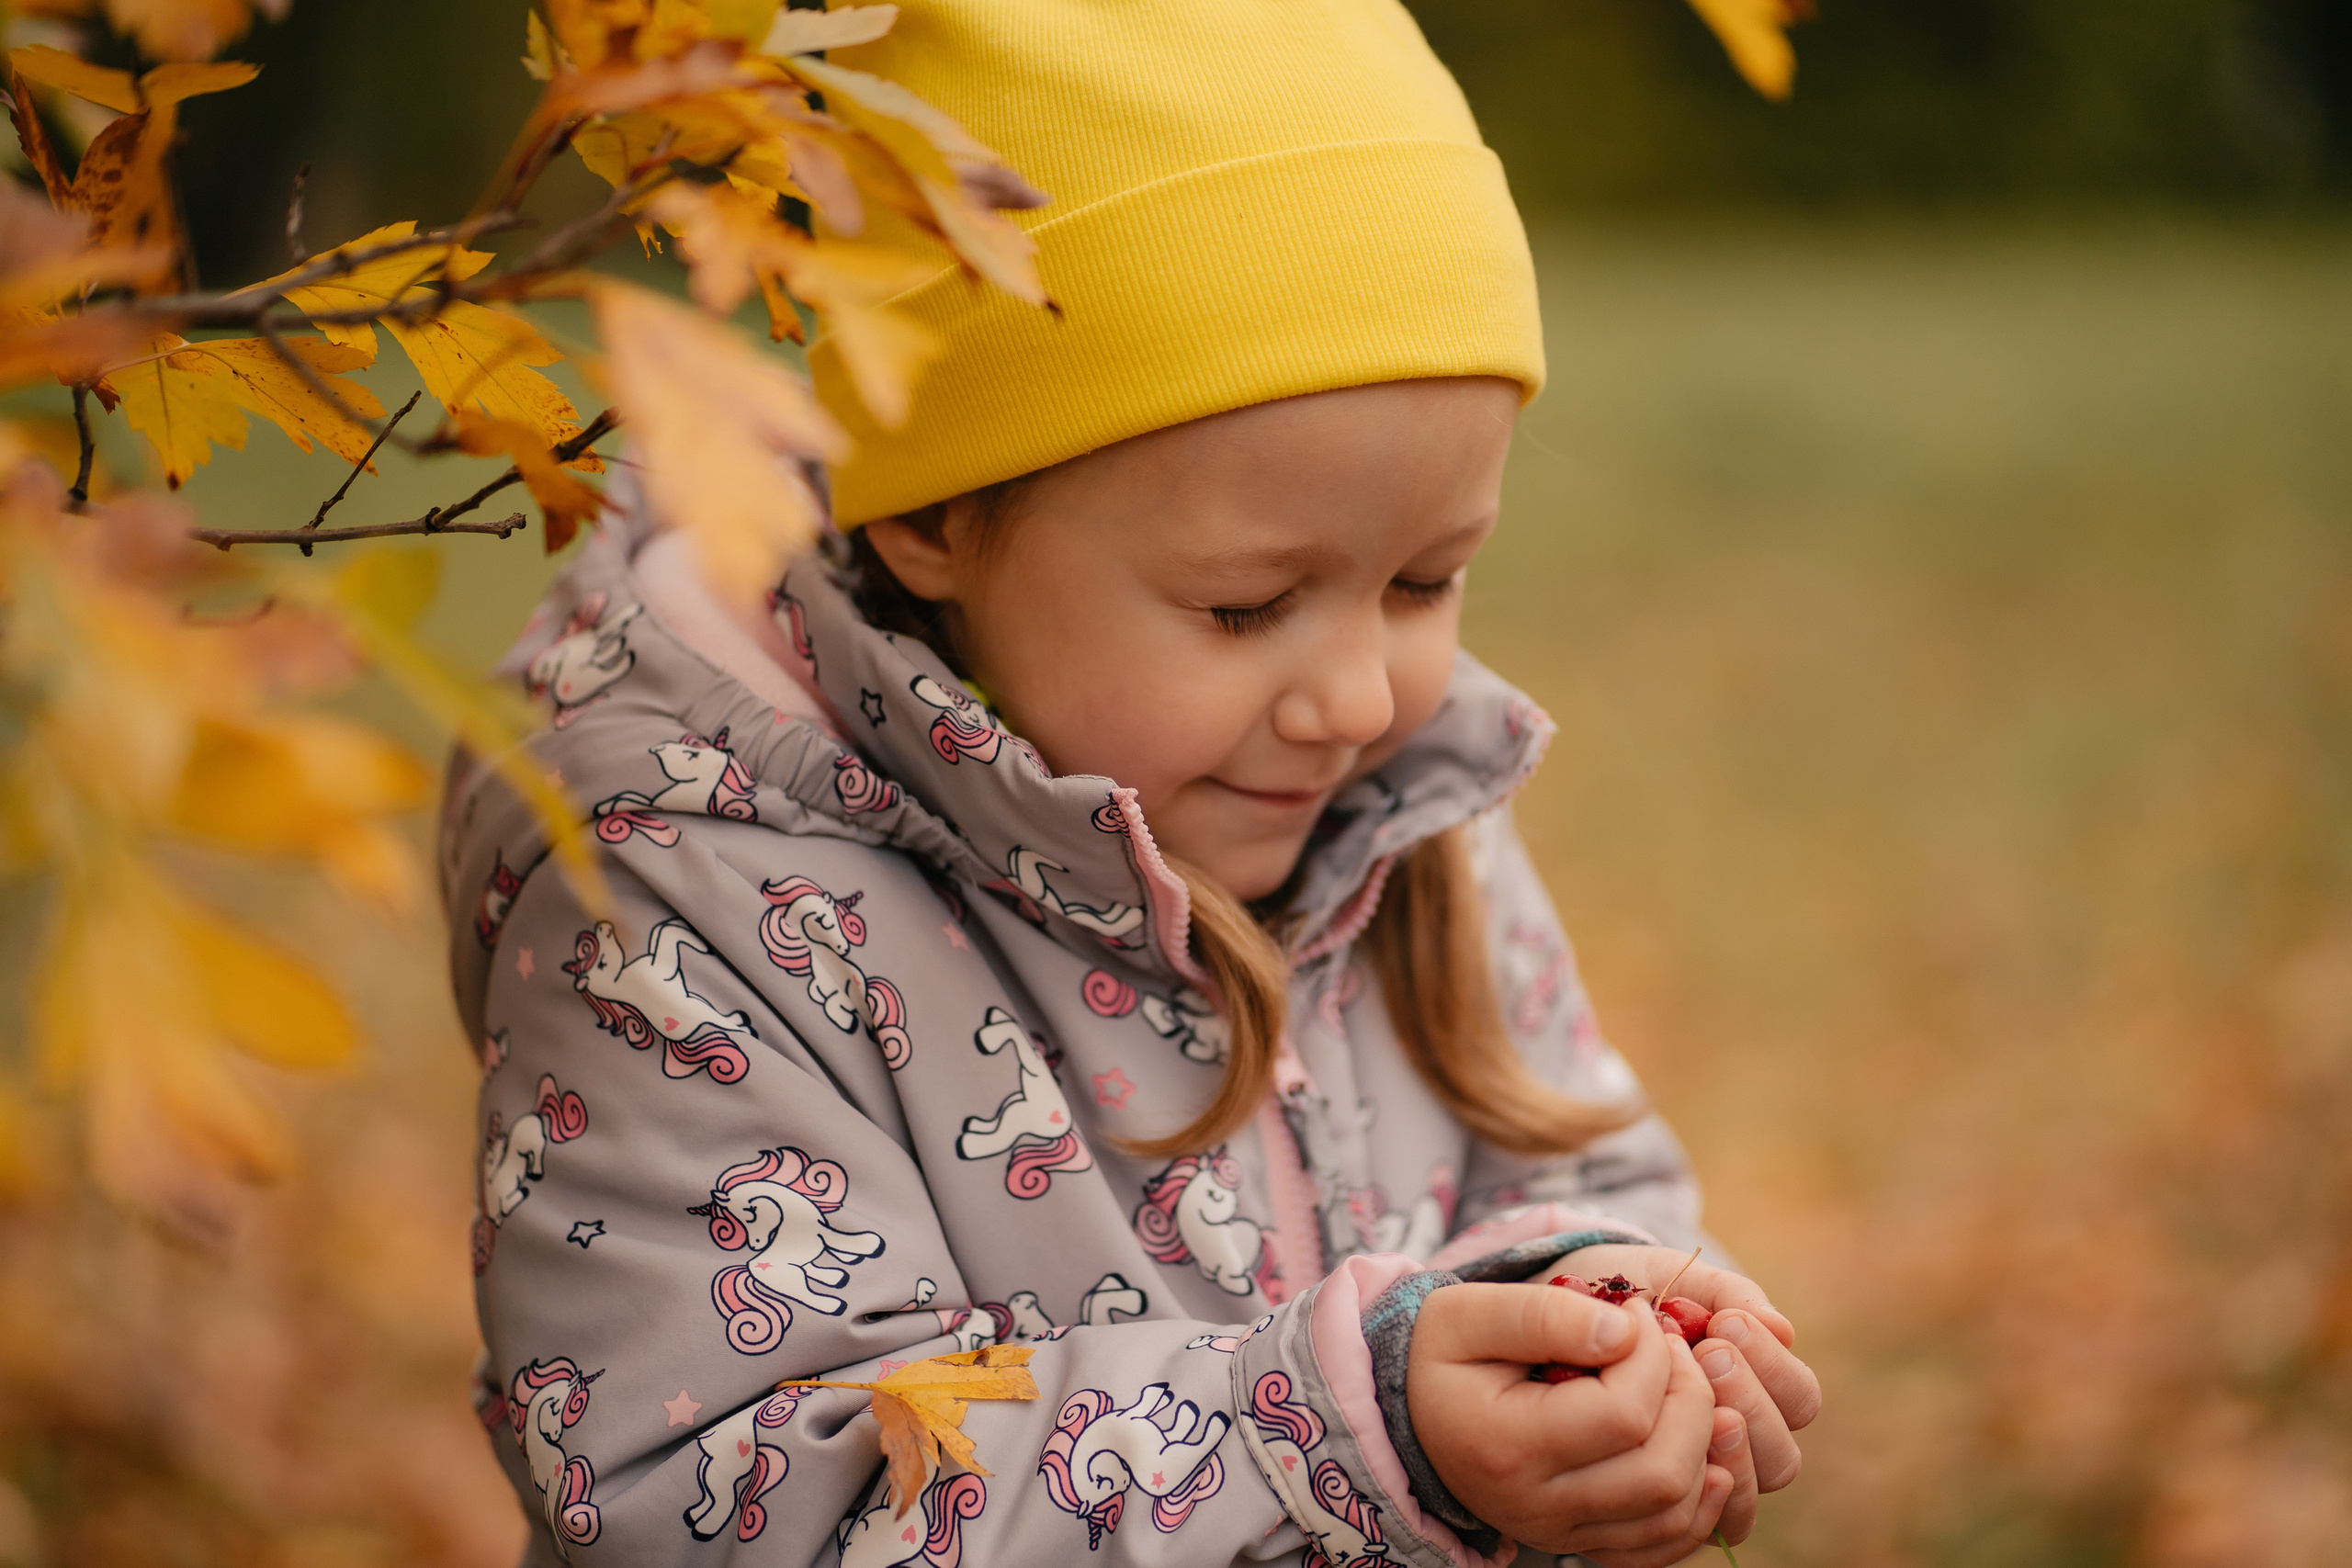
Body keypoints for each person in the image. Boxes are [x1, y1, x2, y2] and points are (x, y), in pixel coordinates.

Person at [445, 2, 1820, 1562]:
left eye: (1429, 580)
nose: (1360, 694)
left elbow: (1577, 1156)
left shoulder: (1391, 806)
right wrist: (1347, 1433)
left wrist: (1607, 1323)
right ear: (936, 517)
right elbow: (718, 1496)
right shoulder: (689, 903)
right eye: (1245, 607)